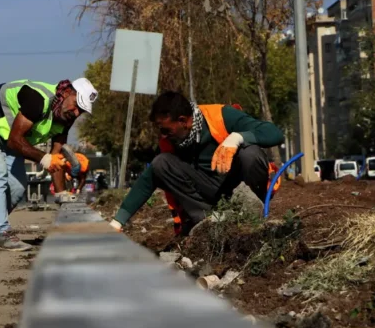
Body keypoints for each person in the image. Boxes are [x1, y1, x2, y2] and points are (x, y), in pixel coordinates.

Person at [109, 91, 284, 236]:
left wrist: (238, 137)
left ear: (183, 121)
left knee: (250, 152)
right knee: (161, 163)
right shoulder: (170, 142)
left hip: (239, 183)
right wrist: (118, 221)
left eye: (165, 129)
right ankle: (208, 221)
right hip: (211, 191)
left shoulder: (221, 116)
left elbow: (273, 133)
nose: (162, 135)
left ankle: (254, 212)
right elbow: (148, 180)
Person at [0, 78, 98, 251]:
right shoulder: (38, 100)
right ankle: (0, 233)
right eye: (77, 105)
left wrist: (62, 193)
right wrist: (44, 158)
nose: (77, 113)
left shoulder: (66, 117)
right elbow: (15, 141)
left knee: (17, 188)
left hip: (8, 136)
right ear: (66, 92)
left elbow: (54, 158)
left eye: (82, 111)